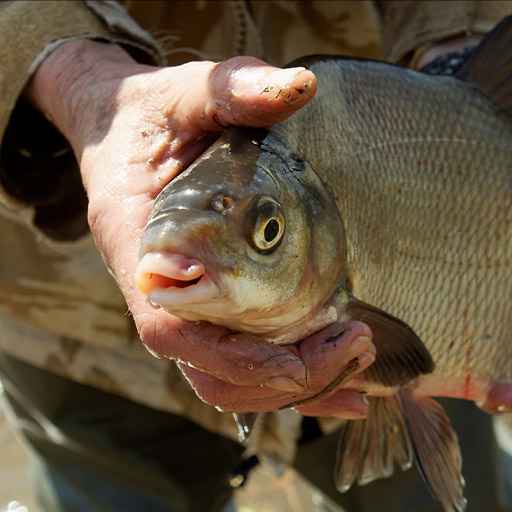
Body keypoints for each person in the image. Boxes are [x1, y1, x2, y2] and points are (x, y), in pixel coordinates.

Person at [0, 1, 511, 511]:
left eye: (265, 232)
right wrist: (80, 83)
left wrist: (459, 37)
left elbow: (407, 351)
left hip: (421, 220)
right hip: (74, 315)